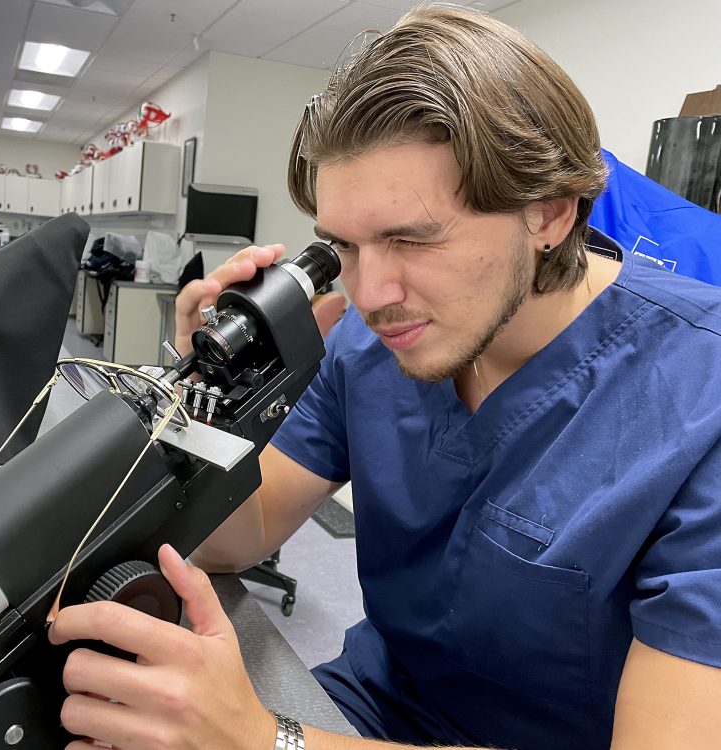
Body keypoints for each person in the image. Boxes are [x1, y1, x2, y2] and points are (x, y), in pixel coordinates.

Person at [47, 5, 721, 749]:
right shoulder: (372, 348)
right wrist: (217, 403)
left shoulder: (700, 392)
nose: (370, 295)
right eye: (347, 247)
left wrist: (265, 741)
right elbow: (237, 540)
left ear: (550, 214)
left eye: (410, 238)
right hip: (362, 713)